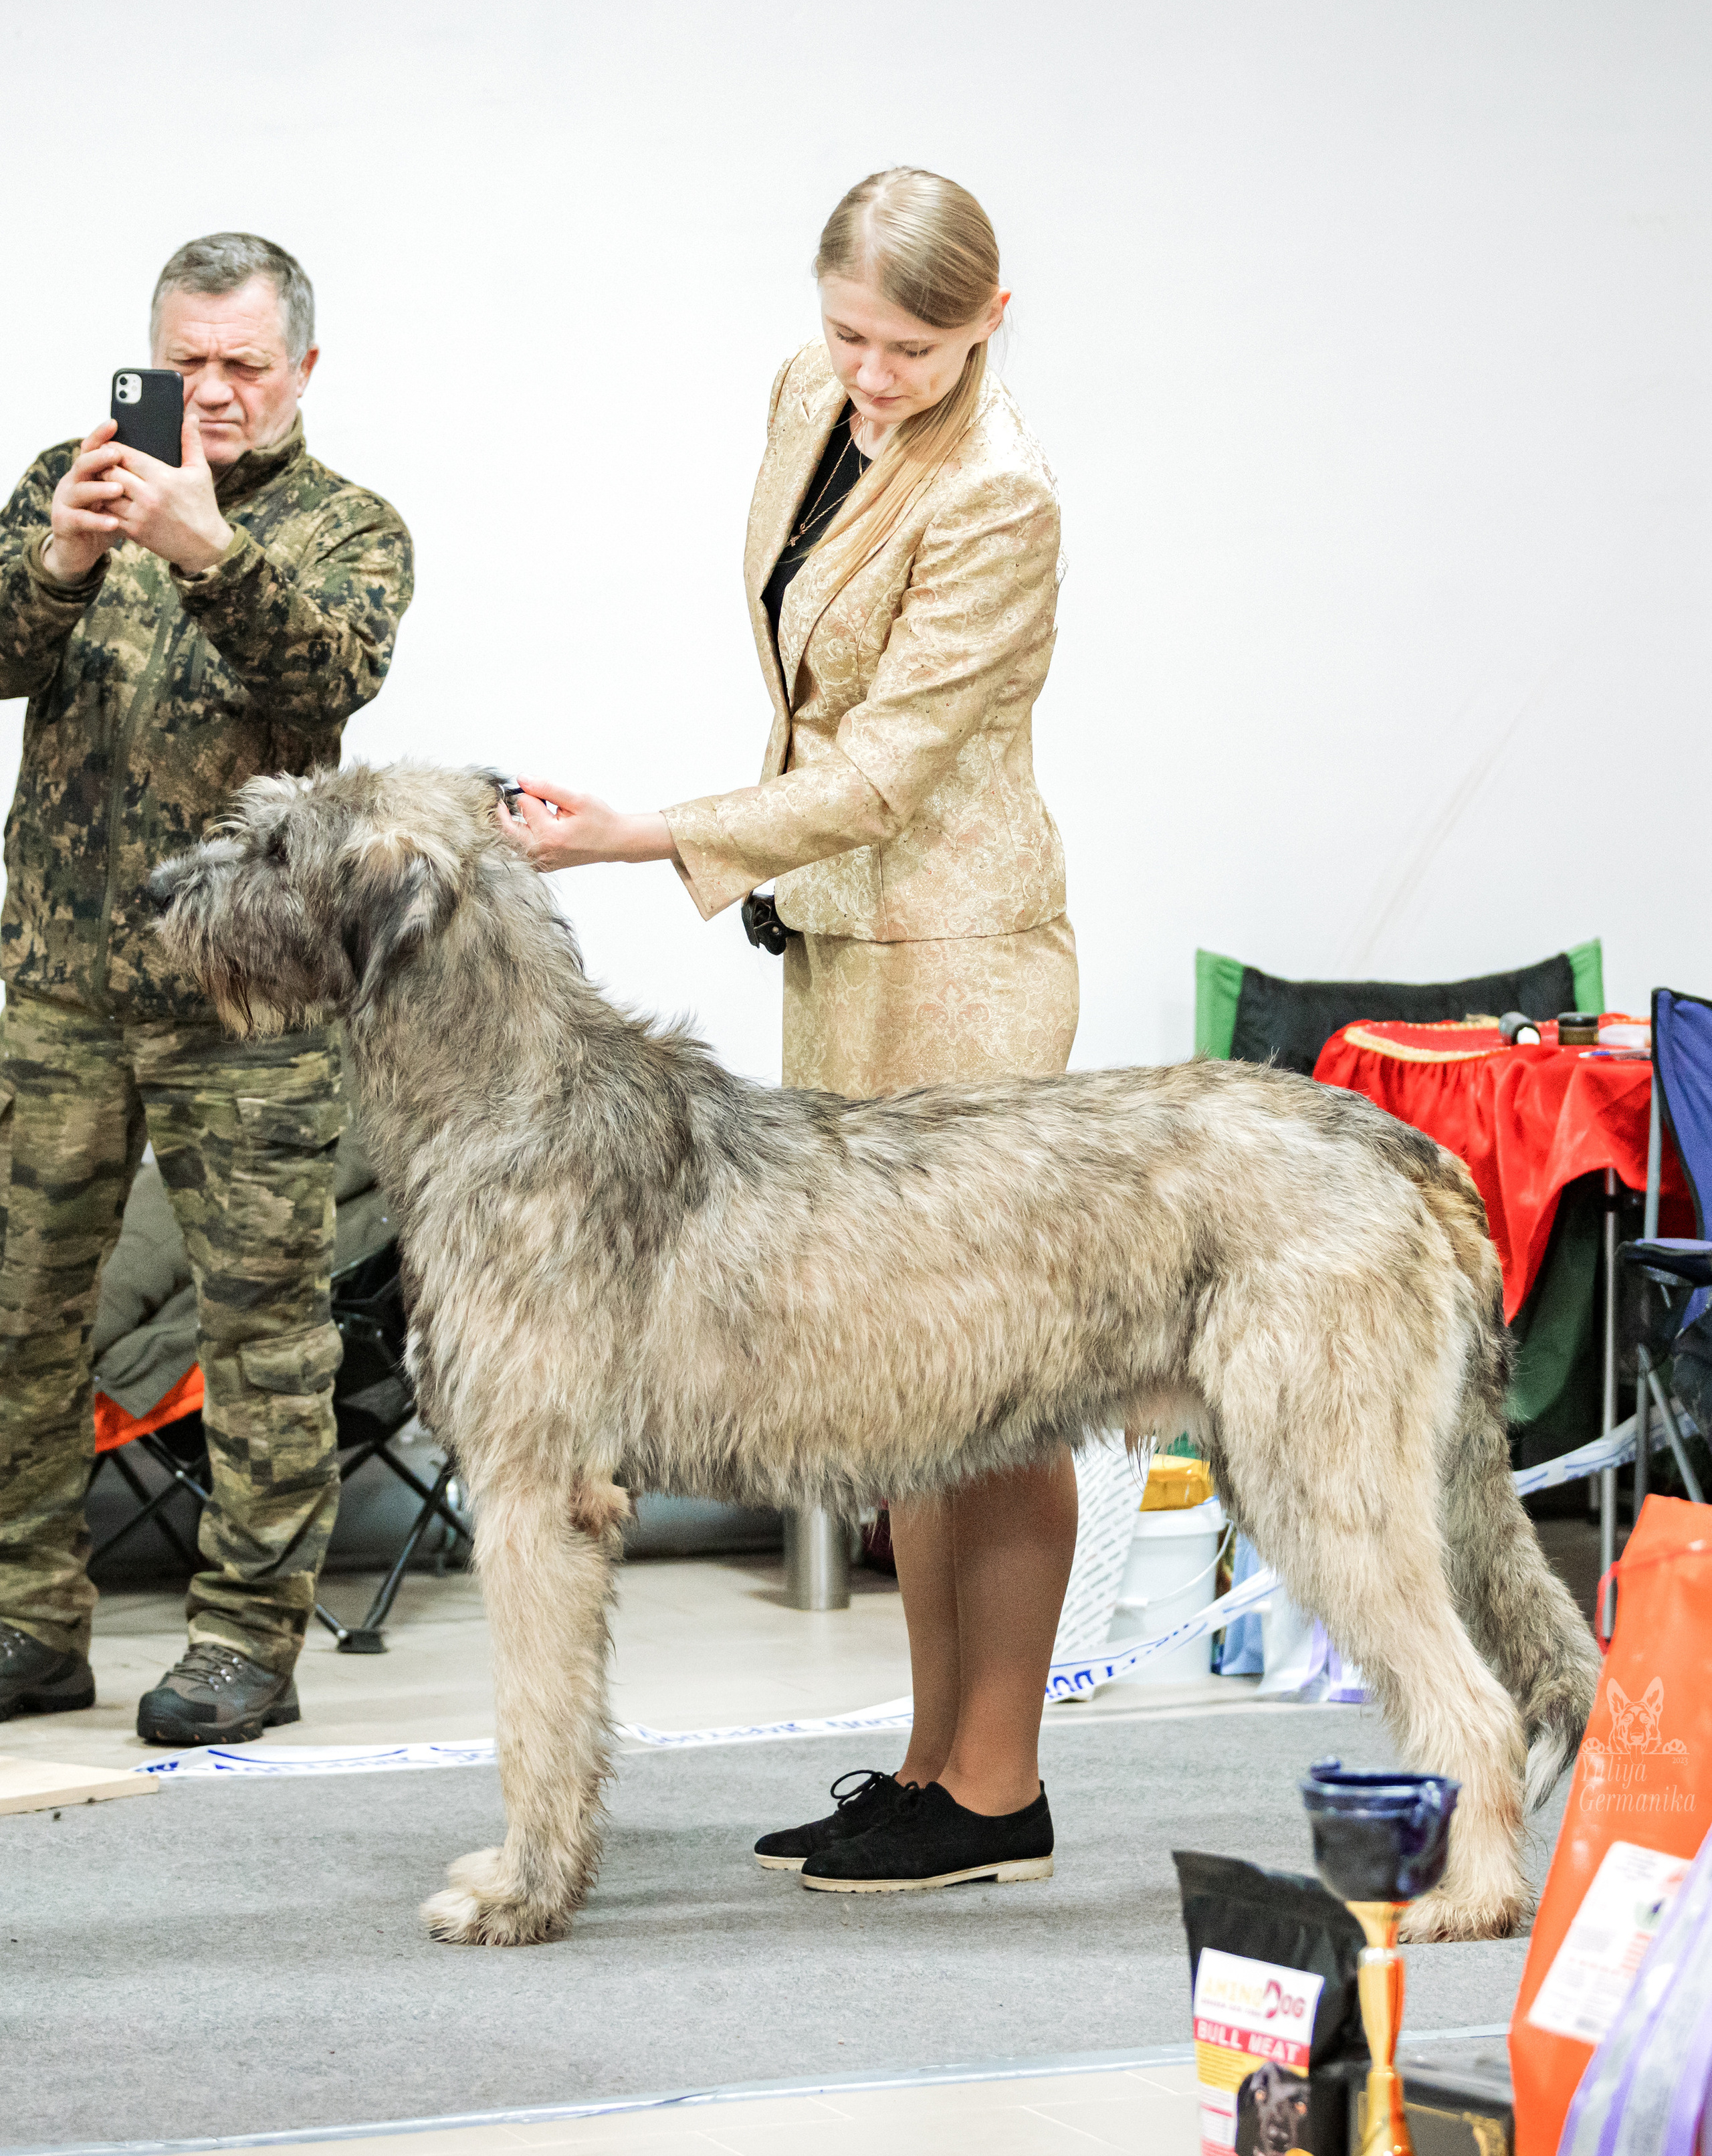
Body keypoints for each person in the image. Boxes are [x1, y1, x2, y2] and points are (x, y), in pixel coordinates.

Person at [504, 166, 1079, 1892]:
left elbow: (888, 765)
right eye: (847, 333)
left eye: (911, 344)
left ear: (991, 316)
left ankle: (1002, 1786)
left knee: (1003, 1378)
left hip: (963, 955)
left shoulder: (1001, 495)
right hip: (840, 939)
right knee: (900, 1378)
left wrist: (643, 832)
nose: (871, 372)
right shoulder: (805, 395)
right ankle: (923, 1767)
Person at [0, 231, 413, 1744]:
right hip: (55, 988)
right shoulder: (73, 474)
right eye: (188, 360)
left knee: (264, 1332)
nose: (214, 390)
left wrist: (203, 546)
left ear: (303, 367)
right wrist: (58, 556)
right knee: (21, 1321)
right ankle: (27, 1621)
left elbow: (324, 684)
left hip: (247, 1003)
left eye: (244, 362)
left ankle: (247, 1640)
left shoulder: (349, 526)